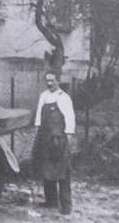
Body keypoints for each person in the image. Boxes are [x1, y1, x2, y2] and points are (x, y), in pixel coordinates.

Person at [32, 71, 76, 215]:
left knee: (62, 172)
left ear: (58, 80)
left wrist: (68, 135)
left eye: (52, 80)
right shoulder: (43, 96)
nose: (50, 83)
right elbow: (39, 115)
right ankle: (51, 201)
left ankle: (66, 205)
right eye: (48, 81)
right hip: (45, 138)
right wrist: (37, 130)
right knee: (46, 169)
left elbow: (70, 117)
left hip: (58, 139)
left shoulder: (64, 98)